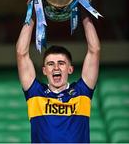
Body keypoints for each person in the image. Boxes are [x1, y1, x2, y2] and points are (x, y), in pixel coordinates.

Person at [16, 13, 100, 143]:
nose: (56, 68)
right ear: (44, 71)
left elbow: (95, 50)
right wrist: (32, 14)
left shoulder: (82, 91)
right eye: (50, 64)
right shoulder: (35, 93)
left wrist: (84, 14)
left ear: (70, 69)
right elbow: (21, 53)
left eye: (61, 63)